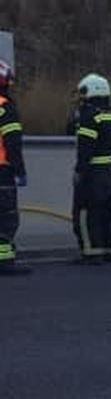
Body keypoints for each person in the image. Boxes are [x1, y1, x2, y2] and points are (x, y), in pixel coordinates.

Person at [71, 73, 111, 264]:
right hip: (110, 171)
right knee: (109, 211)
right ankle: (110, 250)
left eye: (83, 92)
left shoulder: (89, 117)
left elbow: (85, 149)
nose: (80, 97)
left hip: (93, 173)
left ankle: (92, 253)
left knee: (86, 212)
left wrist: (79, 171)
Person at [0, 58, 28, 276]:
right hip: (2, 171)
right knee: (6, 216)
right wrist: (20, 170)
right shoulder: (5, 108)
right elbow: (12, 142)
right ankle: (4, 260)